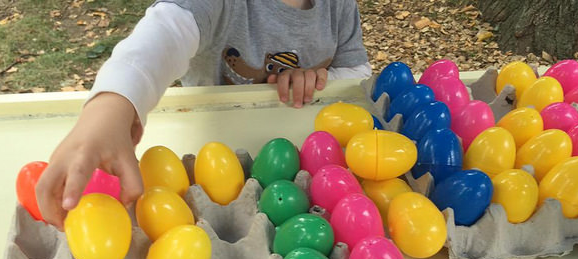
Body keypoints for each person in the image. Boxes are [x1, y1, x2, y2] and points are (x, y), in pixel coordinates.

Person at [36, 0, 372, 229]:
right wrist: (110, 107)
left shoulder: (337, 6)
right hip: (210, 167)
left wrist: (317, 82)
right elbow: (164, 35)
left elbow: (355, 76)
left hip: (303, 167)